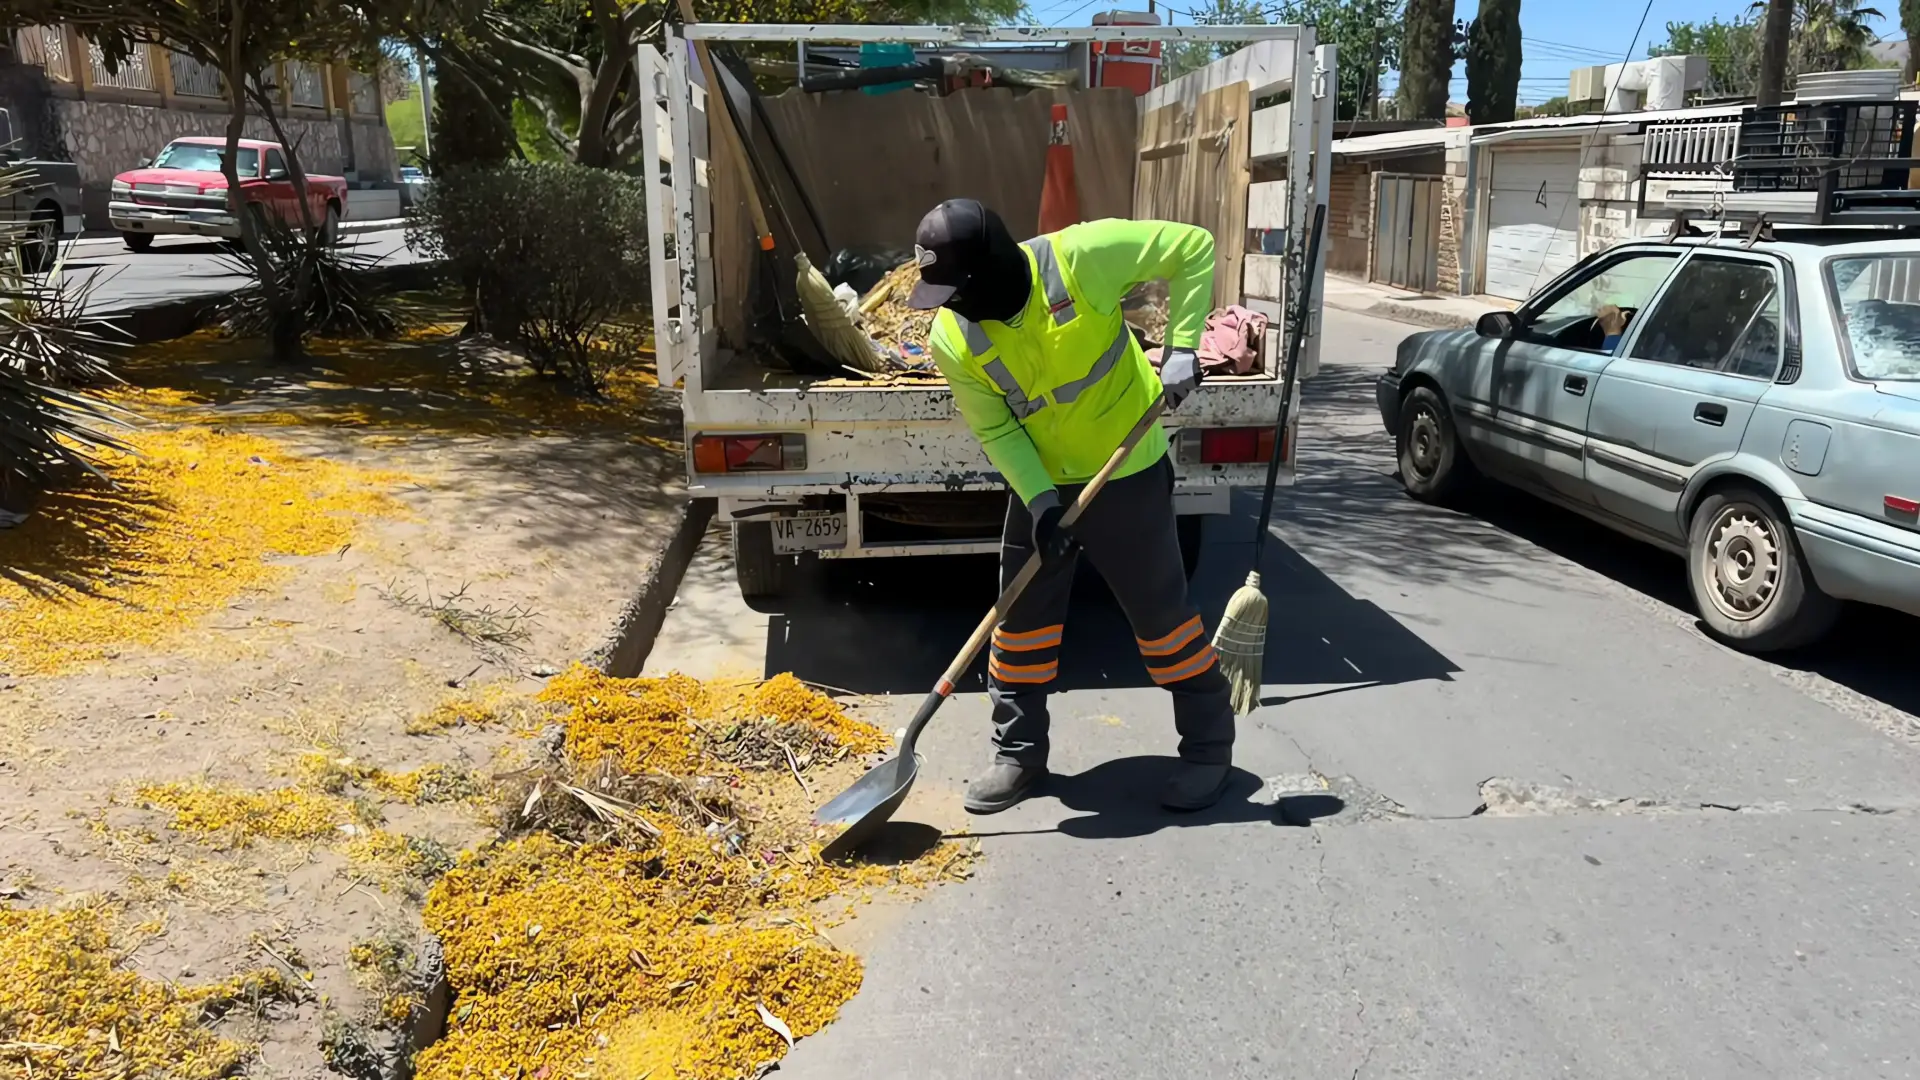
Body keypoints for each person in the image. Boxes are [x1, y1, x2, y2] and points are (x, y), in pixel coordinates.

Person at [905, 198, 1235, 814]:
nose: (951, 305)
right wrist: (1040, 505)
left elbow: (1192, 246)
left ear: (990, 271)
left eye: (956, 291)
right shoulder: (952, 338)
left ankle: (1208, 749)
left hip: (1126, 470)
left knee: (1163, 623)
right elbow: (997, 429)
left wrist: (1183, 347)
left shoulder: (1082, 258)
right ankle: (1018, 755)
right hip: (1043, 484)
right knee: (1019, 624)